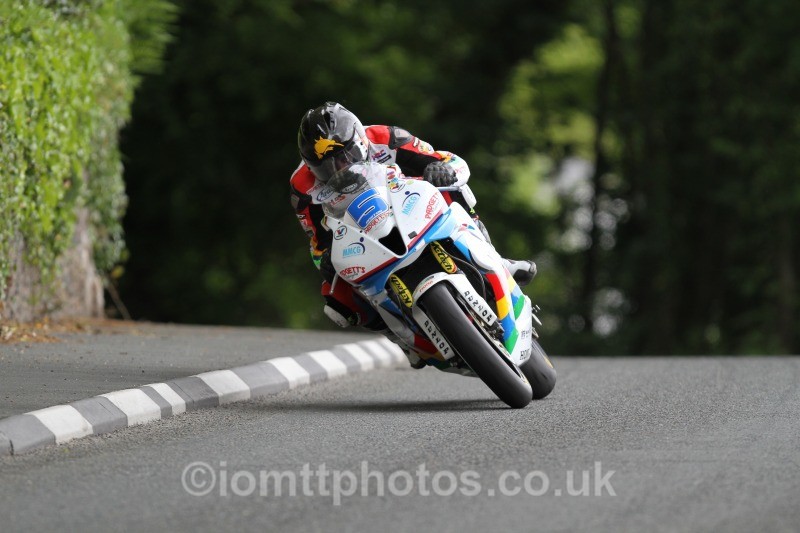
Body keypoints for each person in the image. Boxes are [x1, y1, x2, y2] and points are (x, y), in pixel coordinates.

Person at [290, 101, 536, 367]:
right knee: (336, 298)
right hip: (362, 235)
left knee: (453, 187)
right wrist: (325, 259)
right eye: (324, 167)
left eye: (344, 157)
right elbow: (316, 243)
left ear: (360, 141)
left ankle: (494, 257)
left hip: (408, 204)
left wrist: (442, 170)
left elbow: (450, 161)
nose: (338, 169)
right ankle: (398, 336)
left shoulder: (387, 138)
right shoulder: (301, 189)